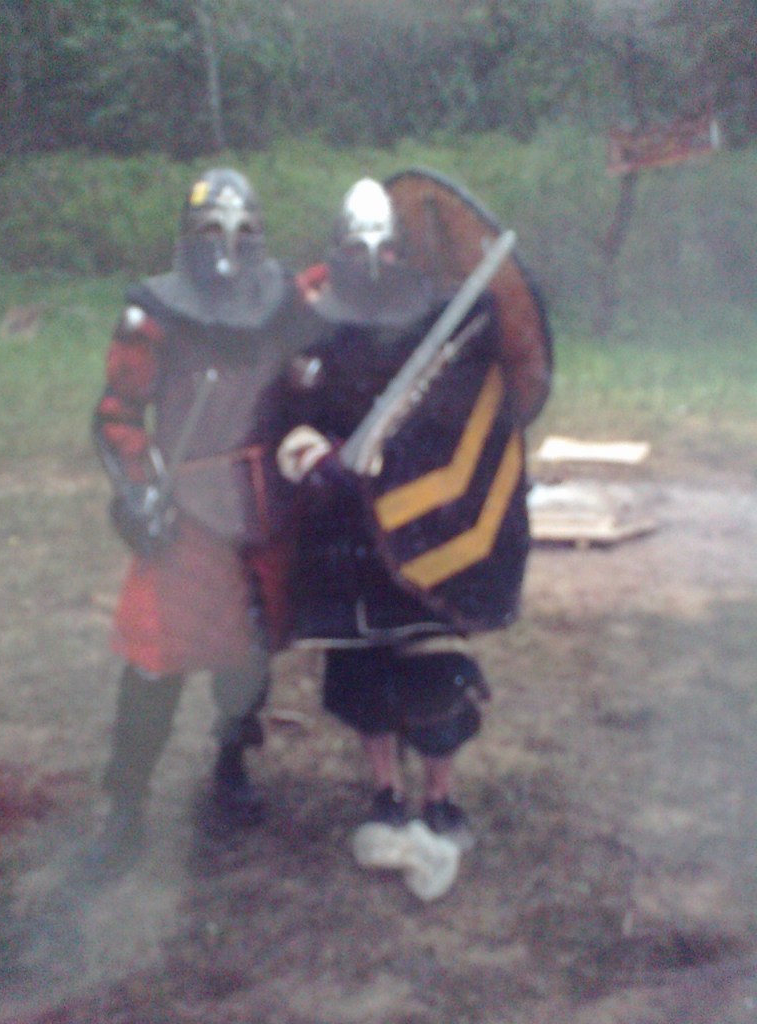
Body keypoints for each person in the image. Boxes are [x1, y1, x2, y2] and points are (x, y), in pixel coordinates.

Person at [270, 176, 549, 855]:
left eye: (385, 248)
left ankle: (440, 798)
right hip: (344, 525)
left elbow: (479, 409)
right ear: (337, 250)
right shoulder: (314, 328)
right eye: (358, 248)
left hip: (427, 526)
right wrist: (315, 460)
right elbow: (286, 418)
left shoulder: (446, 319)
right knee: (362, 672)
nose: (373, 261)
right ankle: (385, 793)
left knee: (436, 673)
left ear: (402, 250)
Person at [85, 168, 304, 879]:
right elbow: (117, 414)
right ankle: (126, 807)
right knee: (154, 661)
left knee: (248, 654)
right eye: (211, 229)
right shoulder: (153, 314)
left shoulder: (282, 304)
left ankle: (230, 766)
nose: (228, 242)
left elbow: (312, 386)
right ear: (187, 236)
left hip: (259, 506)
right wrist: (138, 491)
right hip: (186, 508)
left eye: (242, 229)